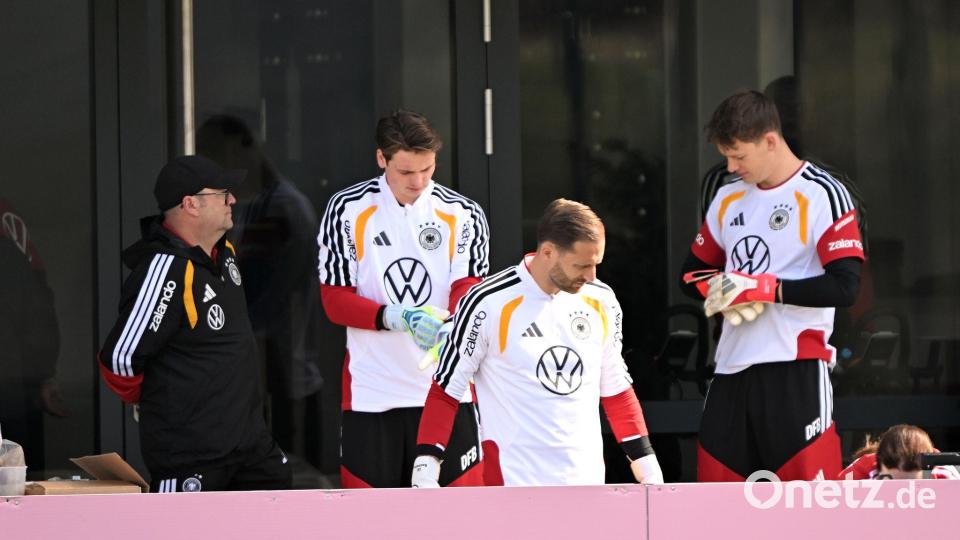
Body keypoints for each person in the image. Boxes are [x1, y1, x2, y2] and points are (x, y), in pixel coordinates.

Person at [680, 90, 865, 482]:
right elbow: (690, 274)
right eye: (725, 156)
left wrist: (765, 289)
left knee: (807, 509)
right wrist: (722, 290)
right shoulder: (727, 198)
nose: (730, 167)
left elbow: (845, 287)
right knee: (717, 508)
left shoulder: (822, 193)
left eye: (739, 156)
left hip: (795, 369)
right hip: (731, 370)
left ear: (770, 140)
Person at [412, 199, 662, 487]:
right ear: (548, 252)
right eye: (581, 265)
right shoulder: (487, 302)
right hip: (513, 486)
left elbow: (616, 387)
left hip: (586, 485)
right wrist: (426, 466)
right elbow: (446, 389)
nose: (591, 276)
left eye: (596, 264)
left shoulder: (602, 300)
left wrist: (648, 467)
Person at [98, 155, 292, 493]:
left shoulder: (224, 252)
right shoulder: (167, 269)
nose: (233, 199)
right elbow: (120, 360)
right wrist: (168, 402)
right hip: (193, 457)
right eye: (222, 194)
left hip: (250, 446)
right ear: (191, 204)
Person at [317, 110, 489, 488]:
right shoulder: (347, 209)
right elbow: (334, 300)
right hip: (372, 392)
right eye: (406, 172)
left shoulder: (462, 212)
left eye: (427, 169)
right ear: (382, 159)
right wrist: (396, 317)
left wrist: (453, 322)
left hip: (448, 389)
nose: (419, 181)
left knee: (464, 521)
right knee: (371, 523)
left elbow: (468, 286)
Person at [197, 115, 324, 460]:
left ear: (243, 144)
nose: (212, 162)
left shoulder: (280, 208)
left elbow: (265, 300)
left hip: (280, 376)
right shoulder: (250, 205)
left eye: (213, 150)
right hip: (263, 373)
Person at [0, 198, 67, 476]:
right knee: (20, 490)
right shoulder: (8, 252)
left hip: (13, 389)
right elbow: (37, 317)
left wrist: (42, 376)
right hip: (14, 389)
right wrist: (44, 376)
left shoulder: (7, 254)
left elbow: (35, 317)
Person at [838, 424, 960, 480]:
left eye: (912, 485)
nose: (902, 494)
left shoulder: (945, 479)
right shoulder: (860, 473)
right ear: (878, 468)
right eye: (892, 482)